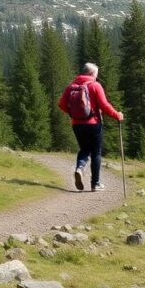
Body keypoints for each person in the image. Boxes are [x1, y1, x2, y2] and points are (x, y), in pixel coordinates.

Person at [58, 62, 123, 192]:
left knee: (84, 149)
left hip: (77, 124)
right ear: (92, 73)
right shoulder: (95, 86)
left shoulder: (70, 87)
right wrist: (117, 115)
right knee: (96, 153)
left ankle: (79, 168)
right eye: (96, 74)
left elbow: (61, 104)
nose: (96, 76)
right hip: (93, 124)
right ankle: (95, 183)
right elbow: (104, 106)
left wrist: (73, 114)